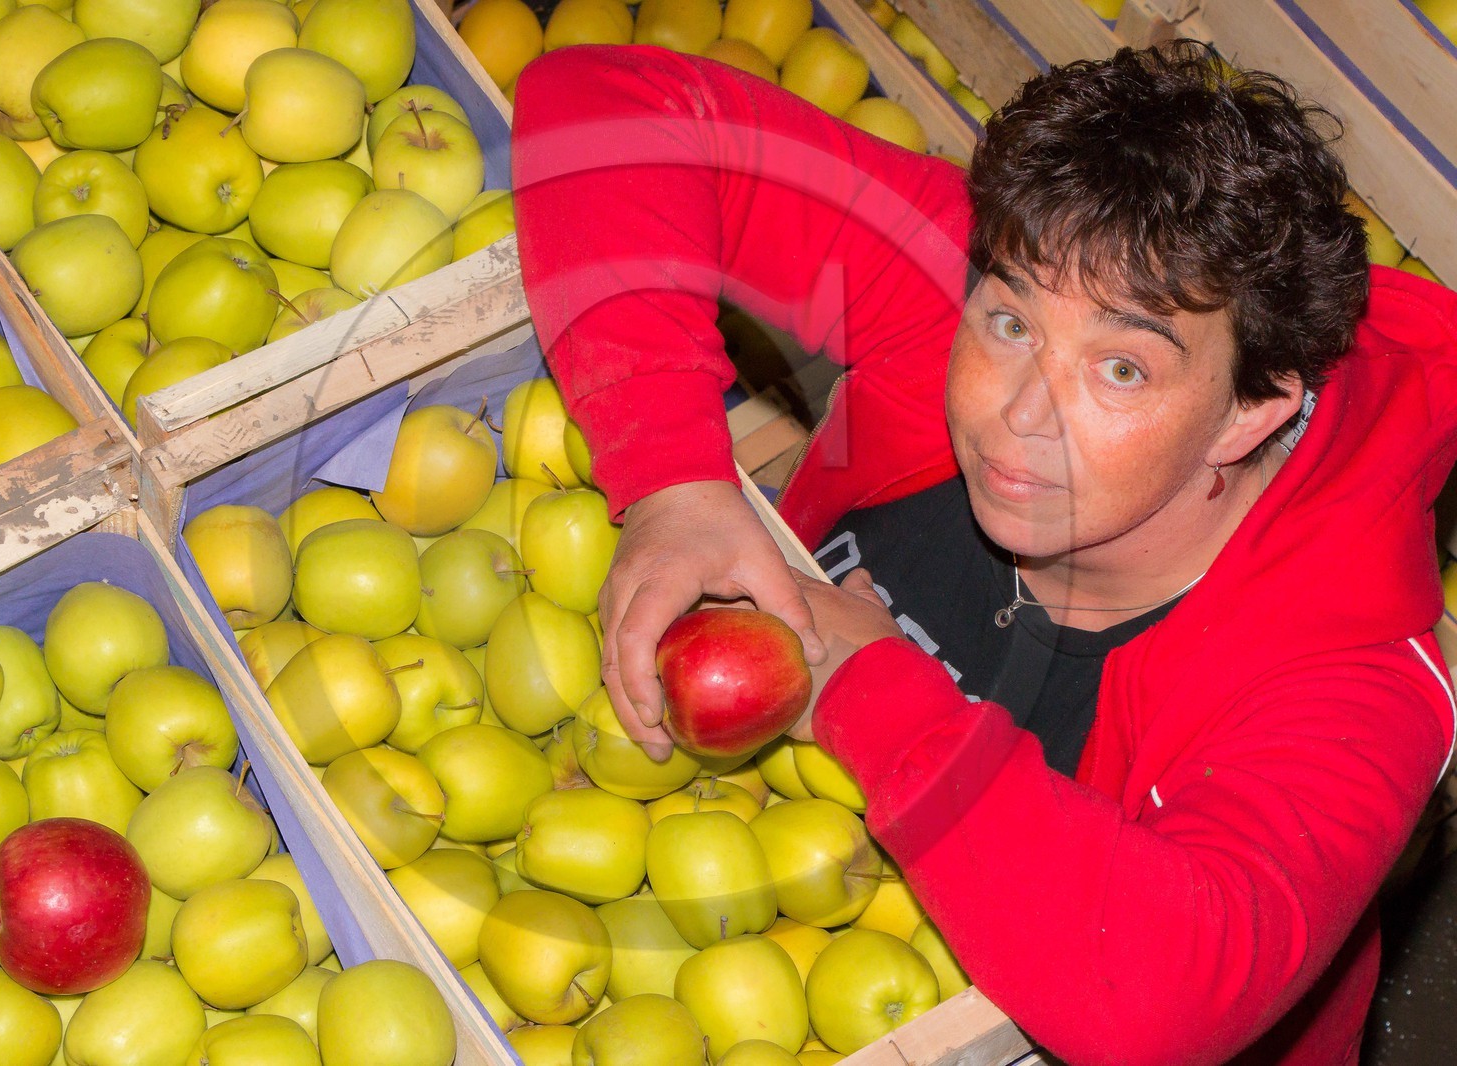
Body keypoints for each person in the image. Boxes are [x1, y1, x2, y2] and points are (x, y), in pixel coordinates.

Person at [511, 37, 1457, 1065]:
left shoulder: (1353, 684)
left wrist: (862, 679)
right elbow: (600, 105)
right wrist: (674, 480)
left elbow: (1155, 995)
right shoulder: (1015, 273)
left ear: (1247, 411)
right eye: (1009, 321)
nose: (1018, 413)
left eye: (1121, 371)